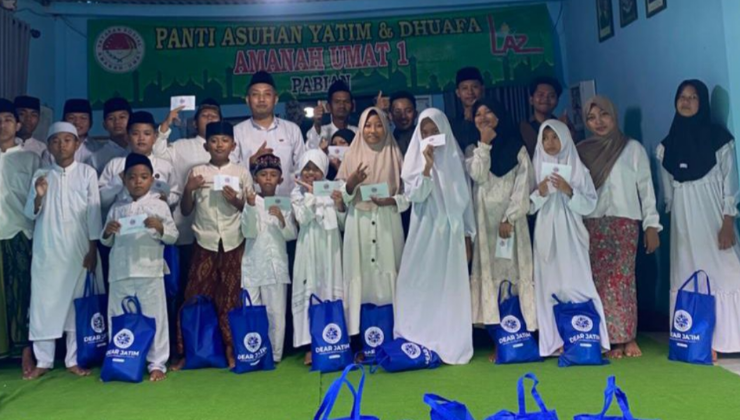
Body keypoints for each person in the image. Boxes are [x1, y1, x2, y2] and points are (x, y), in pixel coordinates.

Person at [657, 79, 740, 362]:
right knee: (688, 273)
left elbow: (731, 185)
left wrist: (728, 221)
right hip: (684, 224)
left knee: (727, 271)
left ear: (702, 103)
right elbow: (669, 195)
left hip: (714, 217)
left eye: (693, 97)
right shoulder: (666, 147)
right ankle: (699, 340)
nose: (686, 101)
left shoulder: (720, 141)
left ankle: (730, 339)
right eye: (682, 96)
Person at [578, 95, 661, 359]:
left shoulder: (632, 148)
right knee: (599, 282)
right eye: (591, 118)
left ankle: (628, 337)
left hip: (625, 222)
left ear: (614, 115)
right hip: (592, 222)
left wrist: (651, 225)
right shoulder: (581, 151)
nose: (599, 122)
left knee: (623, 280)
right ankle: (608, 339)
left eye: (604, 115)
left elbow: (646, 187)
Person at [395, 108, 476, 365]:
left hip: (451, 235)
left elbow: (466, 203)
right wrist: (427, 167)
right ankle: (417, 336)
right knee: (417, 283)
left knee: (449, 287)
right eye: (425, 132)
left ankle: (447, 338)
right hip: (424, 232)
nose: (430, 136)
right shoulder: (413, 163)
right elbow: (415, 196)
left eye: (435, 131)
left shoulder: (456, 160)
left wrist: (468, 235)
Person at [23, 122, 103, 380]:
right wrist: (39, 195)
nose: (62, 146)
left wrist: (92, 248)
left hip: (79, 250)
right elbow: (29, 213)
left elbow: (94, 212)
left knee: (76, 305)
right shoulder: (41, 175)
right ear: (49, 146)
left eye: (67, 140)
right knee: (44, 304)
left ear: (77, 144)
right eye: (56, 141)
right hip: (48, 250)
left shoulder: (87, 173)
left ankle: (73, 359)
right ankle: (43, 361)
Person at [173, 121, 253, 370]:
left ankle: (230, 349)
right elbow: (186, 211)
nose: (219, 145)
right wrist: (189, 189)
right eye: (214, 141)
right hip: (204, 241)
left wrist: (236, 201)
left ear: (233, 145)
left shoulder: (241, 172)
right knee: (195, 296)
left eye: (224, 141)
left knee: (230, 297)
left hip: (233, 240)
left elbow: (251, 209)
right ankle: (189, 351)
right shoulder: (197, 172)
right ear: (206, 146)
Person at [530, 119, 610, 357]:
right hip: (546, 231)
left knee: (578, 283)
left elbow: (590, 204)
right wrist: (540, 193)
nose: (550, 143)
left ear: (565, 138)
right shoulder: (535, 167)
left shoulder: (578, 169)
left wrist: (569, 191)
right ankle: (554, 342)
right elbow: (528, 206)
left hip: (572, 233)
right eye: (545, 138)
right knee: (549, 285)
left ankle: (589, 337)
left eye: (555, 137)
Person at [466, 98, 536, 361]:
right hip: (484, 226)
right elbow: (478, 175)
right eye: (478, 113)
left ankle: (520, 336)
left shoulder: (517, 147)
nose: (483, 117)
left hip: (510, 225)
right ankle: (499, 339)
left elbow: (524, 185)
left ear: (499, 116)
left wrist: (510, 217)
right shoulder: (472, 149)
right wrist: (484, 144)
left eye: (489, 112)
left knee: (513, 274)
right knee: (490, 274)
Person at [101, 153, 178, 381]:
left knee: (155, 316)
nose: (138, 182)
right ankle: (119, 360)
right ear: (124, 179)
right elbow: (106, 241)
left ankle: (157, 363)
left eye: (144, 177)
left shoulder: (159, 206)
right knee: (117, 315)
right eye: (132, 177)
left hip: (149, 269)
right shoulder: (117, 207)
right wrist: (108, 232)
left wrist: (160, 228)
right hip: (120, 271)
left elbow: (173, 236)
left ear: (152, 179)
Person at [336, 107, 406, 339]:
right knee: (360, 273)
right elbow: (341, 197)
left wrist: (392, 200)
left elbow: (408, 195)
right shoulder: (351, 155)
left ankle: (394, 333)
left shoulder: (394, 153)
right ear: (360, 128)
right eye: (367, 125)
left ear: (386, 127)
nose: (373, 130)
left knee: (389, 270)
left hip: (388, 220)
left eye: (378, 125)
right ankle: (360, 337)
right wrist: (351, 183)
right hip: (359, 221)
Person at [291, 149, 346, 365]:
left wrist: (340, 204)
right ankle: (310, 345)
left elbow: (343, 223)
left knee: (331, 287)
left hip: (331, 247)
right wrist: (311, 195)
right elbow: (303, 219)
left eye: (315, 169)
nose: (311, 173)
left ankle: (334, 341)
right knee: (310, 289)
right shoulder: (297, 193)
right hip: (309, 246)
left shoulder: (335, 188)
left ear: (324, 170)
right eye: (307, 169)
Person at [241, 153, 297, 363]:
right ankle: (254, 351)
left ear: (280, 179)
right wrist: (250, 207)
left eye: (273, 175)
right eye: (263, 174)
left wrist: (282, 219)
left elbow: (291, 235)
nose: (268, 179)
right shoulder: (251, 201)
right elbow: (248, 232)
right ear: (256, 178)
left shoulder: (284, 203)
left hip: (276, 266)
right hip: (253, 264)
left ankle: (274, 354)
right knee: (252, 311)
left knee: (276, 313)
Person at [0, 98, 40, 374]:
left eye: (7, 120)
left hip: (21, 232)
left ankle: (26, 351)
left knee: (24, 292)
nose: (2, 125)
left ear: (17, 125)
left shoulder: (31, 158)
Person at [234, 71, 306, 197]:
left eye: (267, 94)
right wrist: (250, 162)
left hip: (287, 203)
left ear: (276, 99)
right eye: (255, 94)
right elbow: (229, 170)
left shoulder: (292, 130)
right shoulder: (237, 132)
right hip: (251, 204)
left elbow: (302, 169)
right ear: (247, 100)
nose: (261, 99)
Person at [99, 111, 180, 216]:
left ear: (155, 137)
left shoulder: (165, 166)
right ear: (127, 137)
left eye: (147, 134)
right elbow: (101, 200)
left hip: (156, 222)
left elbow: (176, 194)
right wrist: (118, 180)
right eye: (135, 134)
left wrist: (166, 199)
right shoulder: (115, 165)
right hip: (123, 222)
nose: (141, 138)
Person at [519, 77, 576, 158]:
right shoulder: (521, 128)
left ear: (557, 101)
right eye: (541, 95)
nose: (546, 99)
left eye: (551, 96)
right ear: (531, 100)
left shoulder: (563, 126)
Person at [306, 80, 357, 150]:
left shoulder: (358, 133)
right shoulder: (321, 131)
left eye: (346, 102)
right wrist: (317, 125)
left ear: (352, 106)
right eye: (337, 102)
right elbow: (310, 151)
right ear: (328, 107)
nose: (342, 105)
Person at [86, 98, 132, 175]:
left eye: (122, 117)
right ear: (104, 125)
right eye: (111, 118)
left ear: (131, 120)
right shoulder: (96, 158)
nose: (117, 122)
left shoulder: (140, 148)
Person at [451, 67, 485, 153]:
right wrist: (467, 122)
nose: (470, 92)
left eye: (475, 87)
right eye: (464, 88)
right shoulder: (453, 124)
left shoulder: (492, 117)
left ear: (482, 89)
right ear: (458, 93)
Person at [63, 99, 101, 164]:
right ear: (64, 121)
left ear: (91, 122)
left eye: (83, 118)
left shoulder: (98, 149)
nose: (77, 122)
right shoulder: (53, 150)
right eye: (71, 118)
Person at [14, 95, 50, 165]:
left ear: (39, 118)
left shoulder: (43, 149)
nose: (28, 119)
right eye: (22, 114)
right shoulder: (4, 144)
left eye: (34, 115)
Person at [389, 91, 418, 155]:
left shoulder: (423, 139)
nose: (403, 116)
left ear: (415, 113)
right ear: (390, 116)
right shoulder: (387, 143)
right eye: (398, 112)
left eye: (408, 111)